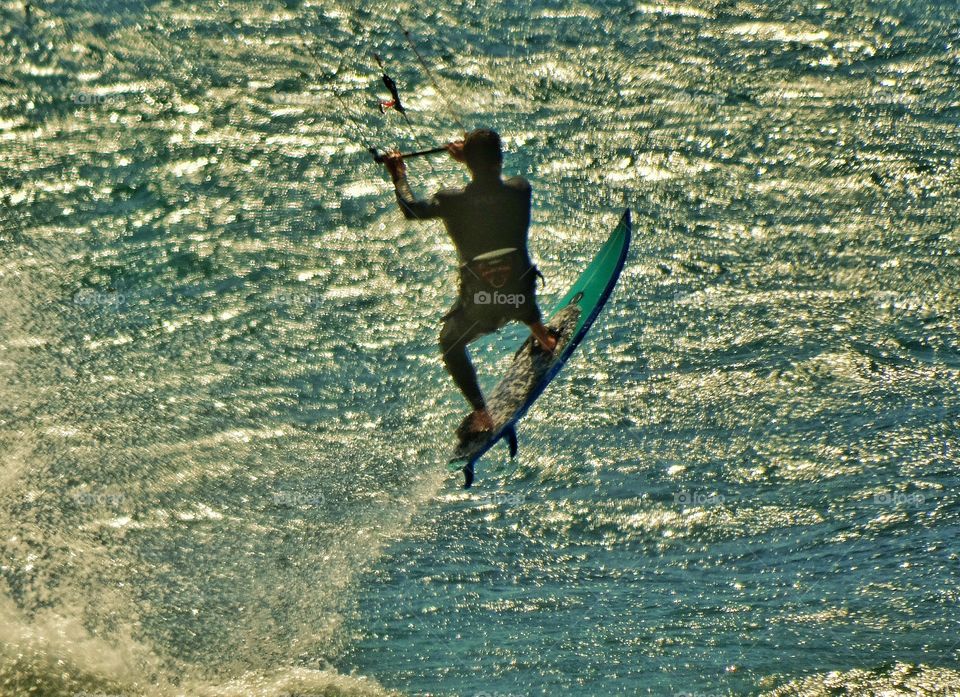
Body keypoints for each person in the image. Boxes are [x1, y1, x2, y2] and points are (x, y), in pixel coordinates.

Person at [382, 128, 557, 440]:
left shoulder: (451, 201)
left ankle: (481, 415)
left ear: (469, 162)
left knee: (449, 343)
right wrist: (471, 161)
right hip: (521, 295)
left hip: (481, 306)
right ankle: (543, 337)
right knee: (514, 271)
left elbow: (412, 210)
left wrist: (399, 177)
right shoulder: (520, 190)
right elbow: (489, 194)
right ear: (500, 159)